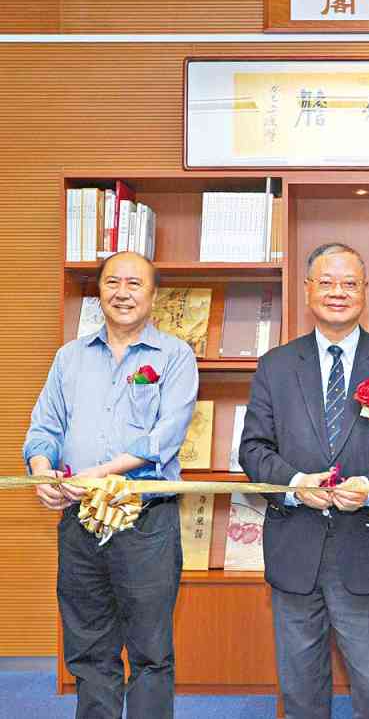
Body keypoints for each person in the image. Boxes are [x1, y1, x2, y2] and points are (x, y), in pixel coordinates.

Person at [239, 242, 369, 719]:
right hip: (294, 548)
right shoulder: (276, 366)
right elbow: (253, 449)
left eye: (349, 283)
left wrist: (366, 487)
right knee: (301, 691)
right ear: (307, 291)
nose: (338, 292)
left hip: (366, 549)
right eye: (326, 282)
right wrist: (295, 481)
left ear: (365, 291)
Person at [23, 251, 198, 719]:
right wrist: (43, 471)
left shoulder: (176, 357)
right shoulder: (70, 358)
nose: (123, 292)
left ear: (153, 296)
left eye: (135, 284)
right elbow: (43, 429)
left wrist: (95, 475)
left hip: (145, 523)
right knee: (88, 647)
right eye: (113, 282)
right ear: (98, 292)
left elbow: (164, 436)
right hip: (79, 521)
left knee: (150, 651)